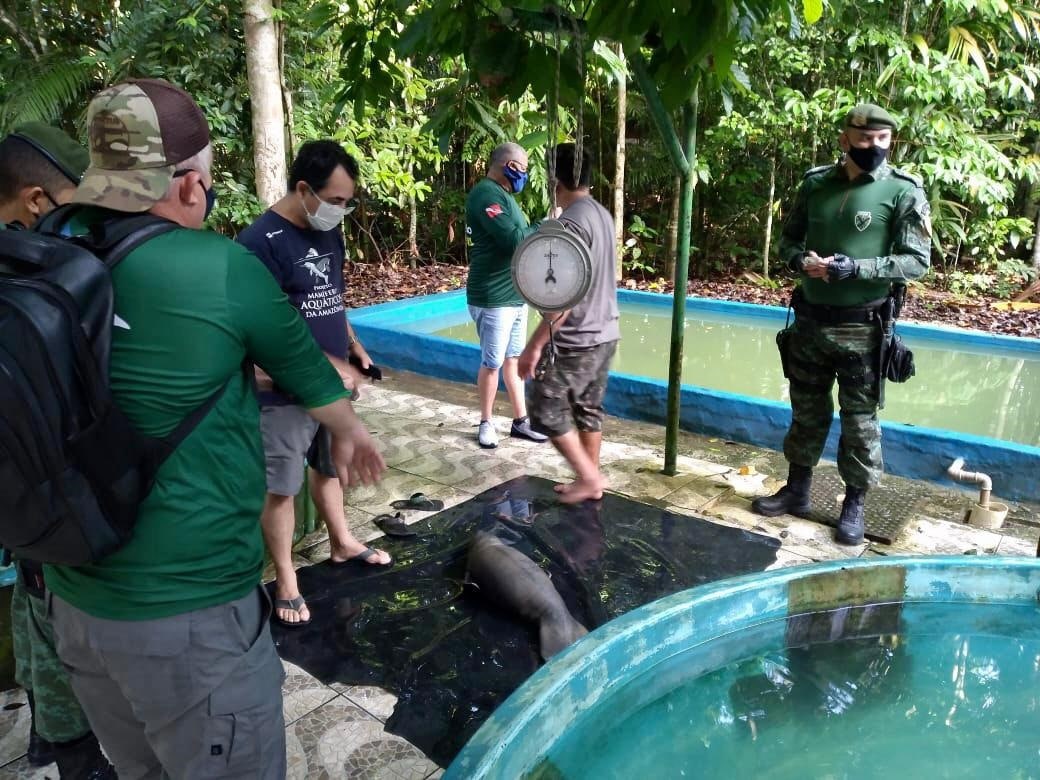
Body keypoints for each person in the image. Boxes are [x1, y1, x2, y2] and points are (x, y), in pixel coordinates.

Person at [43, 78, 385, 780]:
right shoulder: (222, 267)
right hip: (191, 621)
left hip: (74, 605)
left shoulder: (42, 257)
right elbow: (315, 381)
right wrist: (349, 429)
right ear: (191, 188)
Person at [751, 103, 931, 545]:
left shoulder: (903, 192)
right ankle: (797, 489)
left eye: (883, 139)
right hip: (810, 321)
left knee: (860, 422)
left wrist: (859, 268)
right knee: (806, 411)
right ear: (844, 138)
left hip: (863, 327)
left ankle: (854, 504)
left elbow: (916, 261)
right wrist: (799, 260)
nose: (874, 147)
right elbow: (789, 238)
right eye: (865, 138)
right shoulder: (815, 185)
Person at [0, 124, 116, 779]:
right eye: (81, 199)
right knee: (52, 607)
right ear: (40, 200)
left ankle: (50, 731)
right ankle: (68, 740)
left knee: (30, 597)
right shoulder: (44, 279)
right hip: (46, 496)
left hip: (15, 503)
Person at [238, 140, 391, 629]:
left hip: (331, 388)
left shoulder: (329, 233)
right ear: (304, 189)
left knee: (327, 468)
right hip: (279, 396)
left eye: (348, 202)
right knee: (280, 488)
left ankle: (343, 542)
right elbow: (259, 333)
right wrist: (327, 367)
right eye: (336, 201)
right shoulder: (258, 245)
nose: (341, 211)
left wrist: (353, 348)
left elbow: (331, 299)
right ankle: (285, 580)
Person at [518, 143, 620, 504]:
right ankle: (588, 482)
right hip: (607, 332)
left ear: (554, 180)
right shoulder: (601, 215)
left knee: (544, 402)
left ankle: (590, 478)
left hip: (579, 337)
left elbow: (562, 298)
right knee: (588, 407)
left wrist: (534, 347)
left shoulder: (570, 224)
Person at [465, 141, 548, 449]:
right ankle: (486, 422)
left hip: (513, 295)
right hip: (492, 296)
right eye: (522, 169)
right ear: (507, 166)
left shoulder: (506, 197)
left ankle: (520, 422)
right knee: (493, 363)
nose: (524, 176)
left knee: (512, 360)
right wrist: (545, 224)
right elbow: (514, 241)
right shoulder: (486, 195)